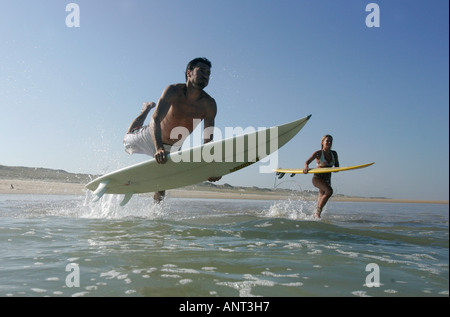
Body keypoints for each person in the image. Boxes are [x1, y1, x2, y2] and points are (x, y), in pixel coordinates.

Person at [123, 57, 221, 202]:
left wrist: (209, 168)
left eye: (208, 73)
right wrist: (159, 147)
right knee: (126, 140)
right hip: (151, 136)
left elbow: (208, 140)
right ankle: (146, 109)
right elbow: (155, 119)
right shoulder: (173, 91)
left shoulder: (209, 104)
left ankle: (156, 215)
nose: (205, 76)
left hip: (173, 146)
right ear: (189, 72)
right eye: (201, 71)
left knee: (163, 181)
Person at [303, 135, 339, 218]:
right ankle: (318, 213)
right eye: (327, 141)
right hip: (317, 178)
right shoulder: (318, 153)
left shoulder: (334, 153)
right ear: (323, 142)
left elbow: (337, 167)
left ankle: (316, 215)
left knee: (322, 196)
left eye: (331, 141)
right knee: (329, 191)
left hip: (327, 178)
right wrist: (306, 167)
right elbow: (307, 162)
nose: (329, 142)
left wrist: (336, 169)